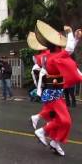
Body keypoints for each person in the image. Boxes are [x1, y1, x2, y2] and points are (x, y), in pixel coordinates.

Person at [32, 21, 82, 156]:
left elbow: (67, 51)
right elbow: (69, 50)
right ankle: (43, 132)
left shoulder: (49, 56)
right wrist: (70, 33)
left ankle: (54, 141)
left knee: (57, 119)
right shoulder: (54, 57)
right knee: (65, 121)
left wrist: (75, 38)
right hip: (54, 93)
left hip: (53, 92)